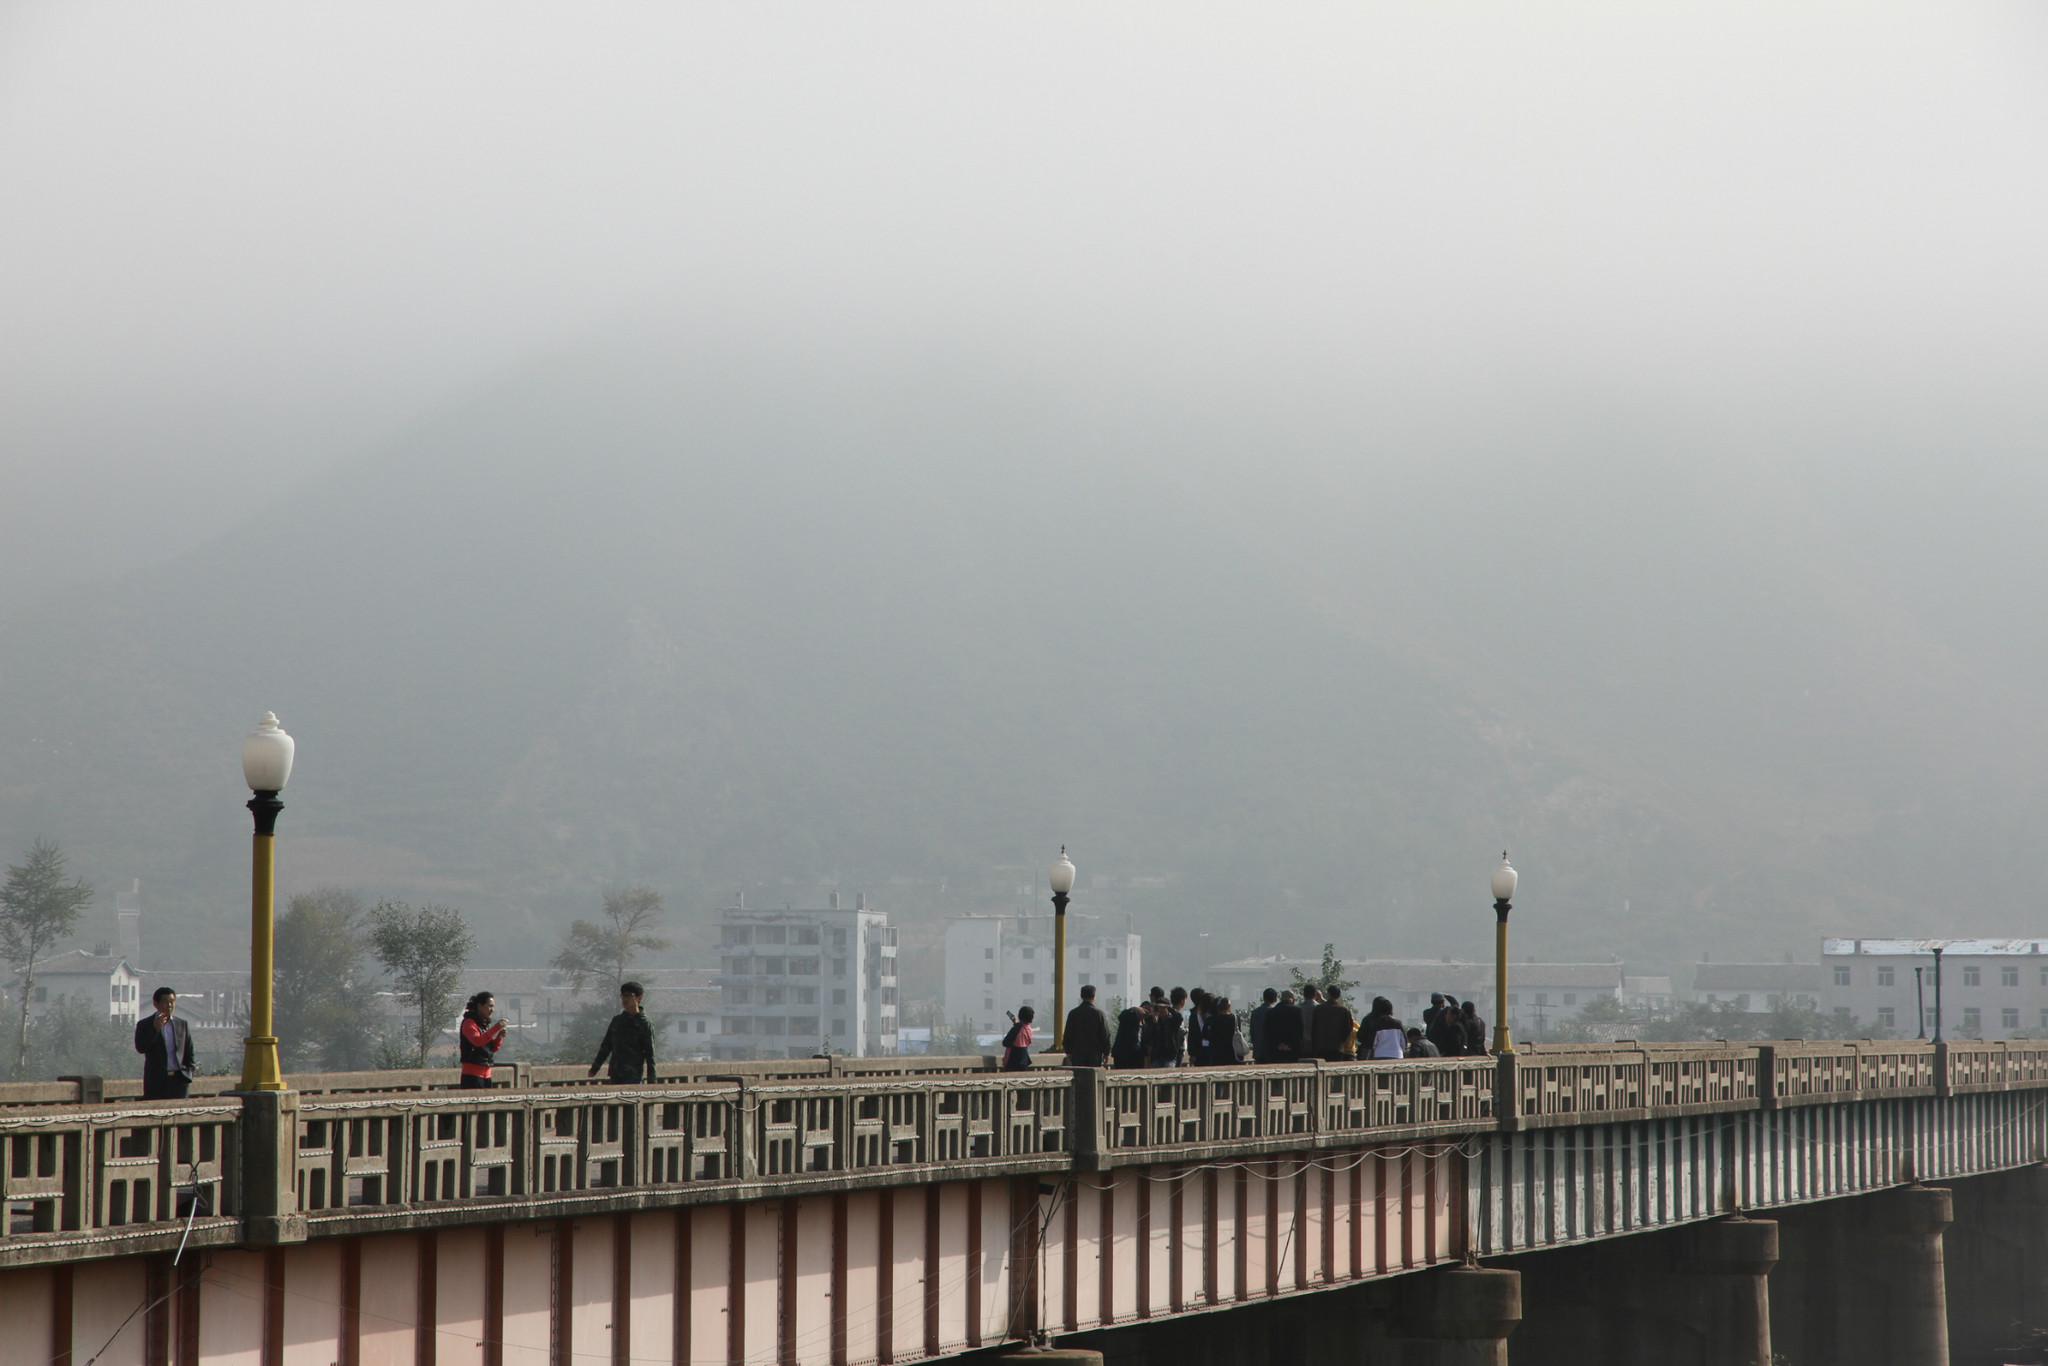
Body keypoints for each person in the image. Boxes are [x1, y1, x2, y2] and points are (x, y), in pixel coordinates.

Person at [589, 981, 657, 1083]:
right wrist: (595, 1068)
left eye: (629, 995)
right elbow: (606, 1046)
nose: (625, 999)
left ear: (639, 998)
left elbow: (649, 1053)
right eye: (623, 995)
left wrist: (652, 1079)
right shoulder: (617, 1021)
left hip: (633, 1075)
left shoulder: (644, 1023)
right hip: (615, 1073)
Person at [135, 987, 195, 1099]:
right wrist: (155, 1029)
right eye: (165, 1002)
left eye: (172, 1001)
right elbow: (141, 1048)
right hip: (156, 1082)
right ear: (156, 1004)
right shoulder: (144, 1025)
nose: (169, 1005)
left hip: (179, 1081)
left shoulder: (182, 1025)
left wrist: (189, 1072)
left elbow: (189, 1052)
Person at [459, 991, 509, 1088]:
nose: (492, 1010)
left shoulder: (483, 1025)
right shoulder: (469, 1023)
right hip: (472, 1074)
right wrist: (496, 1028)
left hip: (487, 1074)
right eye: (490, 1006)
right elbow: (477, 1041)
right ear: (480, 1005)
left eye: (493, 1006)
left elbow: (492, 1048)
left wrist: (500, 1037)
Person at [1063, 985, 1113, 1067]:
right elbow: (1105, 1035)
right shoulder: (1099, 1013)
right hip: (1095, 1053)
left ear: (1081, 996)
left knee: (1079, 1077)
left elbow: (1068, 1034)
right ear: (1093, 997)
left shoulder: (1073, 1013)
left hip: (1077, 1052)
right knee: (1093, 1077)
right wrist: (1106, 1053)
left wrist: (1068, 1051)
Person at [1311, 986, 1356, 1063]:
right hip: (1337, 1047)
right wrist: (1341, 1041)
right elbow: (1348, 1029)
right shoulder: (1344, 1010)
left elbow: (1314, 1028)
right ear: (1339, 996)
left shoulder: (1319, 1009)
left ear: (1328, 994)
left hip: (1321, 1046)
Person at [1268, 989, 1306, 1063]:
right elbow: (1300, 1030)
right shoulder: (1297, 1011)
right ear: (1293, 1000)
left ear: (1281, 999)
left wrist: (1278, 1044)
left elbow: (1268, 1032)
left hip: (1276, 1052)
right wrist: (1290, 1045)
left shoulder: (1271, 1012)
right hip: (1293, 1052)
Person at [1151, 995, 1185, 1068]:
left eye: (1163, 1008)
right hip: (1157, 1056)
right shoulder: (1154, 1021)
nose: (1161, 1010)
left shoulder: (1172, 1021)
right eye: (1159, 1008)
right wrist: (1154, 1022)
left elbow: (1179, 1018)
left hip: (1170, 1056)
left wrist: (1169, 1007)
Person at [1112, 998, 1147, 1069]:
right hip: (1124, 1055)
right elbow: (1122, 1016)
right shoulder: (1130, 1020)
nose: (1145, 1012)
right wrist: (1134, 1009)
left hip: (1138, 1057)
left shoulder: (1146, 1026)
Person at [1207, 997, 1243, 1064]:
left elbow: (1207, 1035)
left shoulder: (1212, 1020)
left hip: (1217, 1052)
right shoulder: (1235, 1018)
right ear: (1229, 1007)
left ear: (1218, 1008)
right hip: (1233, 1051)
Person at [1000, 1006, 1036, 1071]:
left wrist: (1015, 1024)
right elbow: (1021, 1030)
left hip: (1012, 1061)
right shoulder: (1029, 1029)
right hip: (1024, 1060)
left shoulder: (1016, 1028)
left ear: (1020, 1016)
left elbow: (1005, 1043)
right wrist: (1015, 1022)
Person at [1249, 988, 1279, 1063]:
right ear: (1275, 999)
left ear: (1263, 998)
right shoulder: (1275, 1012)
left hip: (1258, 1050)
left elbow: (1252, 1032)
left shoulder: (1255, 1012)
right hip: (1271, 1051)